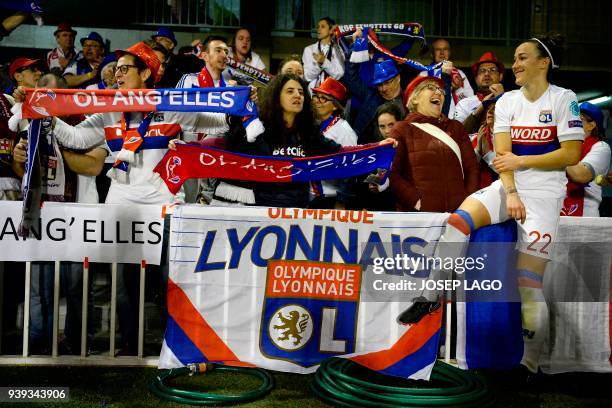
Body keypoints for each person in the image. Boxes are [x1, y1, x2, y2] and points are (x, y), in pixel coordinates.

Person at [13, 41, 236, 354]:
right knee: (123, 286)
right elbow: (77, 138)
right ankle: (132, 344)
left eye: (124, 69)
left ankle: (175, 346)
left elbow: (213, 121)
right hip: (121, 206)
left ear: (145, 73)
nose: (117, 74)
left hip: (164, 206)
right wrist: (47, 115)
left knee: (168, 282)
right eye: (115, 69)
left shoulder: (171, 105)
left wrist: (237, 106)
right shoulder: (109, 109)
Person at [398, 34, 584, 375]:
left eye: (523, 57)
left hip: (545, 196)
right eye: (514, 57)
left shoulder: (564, 99)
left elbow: (571, 154)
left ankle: (529, 364)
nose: (515, 64)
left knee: (528, 282)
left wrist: (522, 163)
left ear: (544, 63)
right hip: (510, 185)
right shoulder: (508, 101)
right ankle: (430, 295)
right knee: (459, 220)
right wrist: (511, 190)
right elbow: (502, 155)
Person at [12, 73, 106, 354]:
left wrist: (55, 146)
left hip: (79, 217)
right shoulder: (33, 128)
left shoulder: (91, 124)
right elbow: (26, 175)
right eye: (41, 94)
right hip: (44, 216)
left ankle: (78, 344)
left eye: (52, 95)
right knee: (40, 288)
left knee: (77, 288)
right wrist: (22, 160)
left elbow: (93, 167)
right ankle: (39, 343)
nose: (46, 101)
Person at [390, 76, 479, 212]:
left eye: (441, 90)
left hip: (457, 217)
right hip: (418, 219)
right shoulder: (402, 129)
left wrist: (466, 204)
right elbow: (392, 173)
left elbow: (472, 169)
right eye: (430, 88)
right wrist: (417, 202)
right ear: (414, 99)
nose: (438, 92)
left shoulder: (456, 128)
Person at [309, 77, 357, 209]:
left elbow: (351, 168)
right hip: (311, 197)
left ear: (335, 105)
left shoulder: (344, 130)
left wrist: (341, 201)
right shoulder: (314, 125)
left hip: (330, 199)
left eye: (323, 98)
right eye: (315, 96)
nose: (316, 101)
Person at [561, 102, 611, 217]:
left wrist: (560, 149)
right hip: (556, 212)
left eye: (578, 119)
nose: (571, 123)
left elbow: (580, 175)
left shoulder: (601, 147)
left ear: (591, 125)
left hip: (585, 218)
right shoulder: (568, 145)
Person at [418, 38, 474, 117]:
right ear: (432, 54)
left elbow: (471, 103)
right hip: (432, 120)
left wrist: (458, 90)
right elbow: (418, 102)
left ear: (449, 53)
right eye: (438, 49)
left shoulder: (460, 74)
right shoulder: (424, 75)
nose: (442, 53)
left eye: (445, 49)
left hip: (455, 122)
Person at [454, 52, 505, 133]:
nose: (487, 74)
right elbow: (457, 133)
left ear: (500, 76)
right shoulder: (464, 104)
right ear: (476, 78)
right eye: (482, 71)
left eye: (492, 70)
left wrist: (501, 100)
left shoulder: (510, 101)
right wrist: (481, 107)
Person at [302, 17, 344, 92]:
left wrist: (324, 62)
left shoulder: (338, 50)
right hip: (312, 93)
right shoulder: (309, 50)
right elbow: (307, 76)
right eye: (318, 27)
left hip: (331, 93)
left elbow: (339, 74)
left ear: (331, 30)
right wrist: (319, 65)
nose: (319, 29)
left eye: (323, 26)